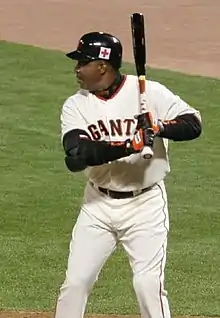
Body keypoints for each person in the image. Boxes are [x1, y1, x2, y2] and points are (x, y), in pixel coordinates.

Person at [55, 31, 202, 318]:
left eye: (82, 62)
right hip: (97, 206)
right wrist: (129, 144)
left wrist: (159, 127)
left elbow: (193, 123)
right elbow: (76, 156)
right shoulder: (76, 105)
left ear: (102, 65)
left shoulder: (149, 93)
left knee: (148, 285)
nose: (77, 69)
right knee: (76, 283)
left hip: (145, 206)